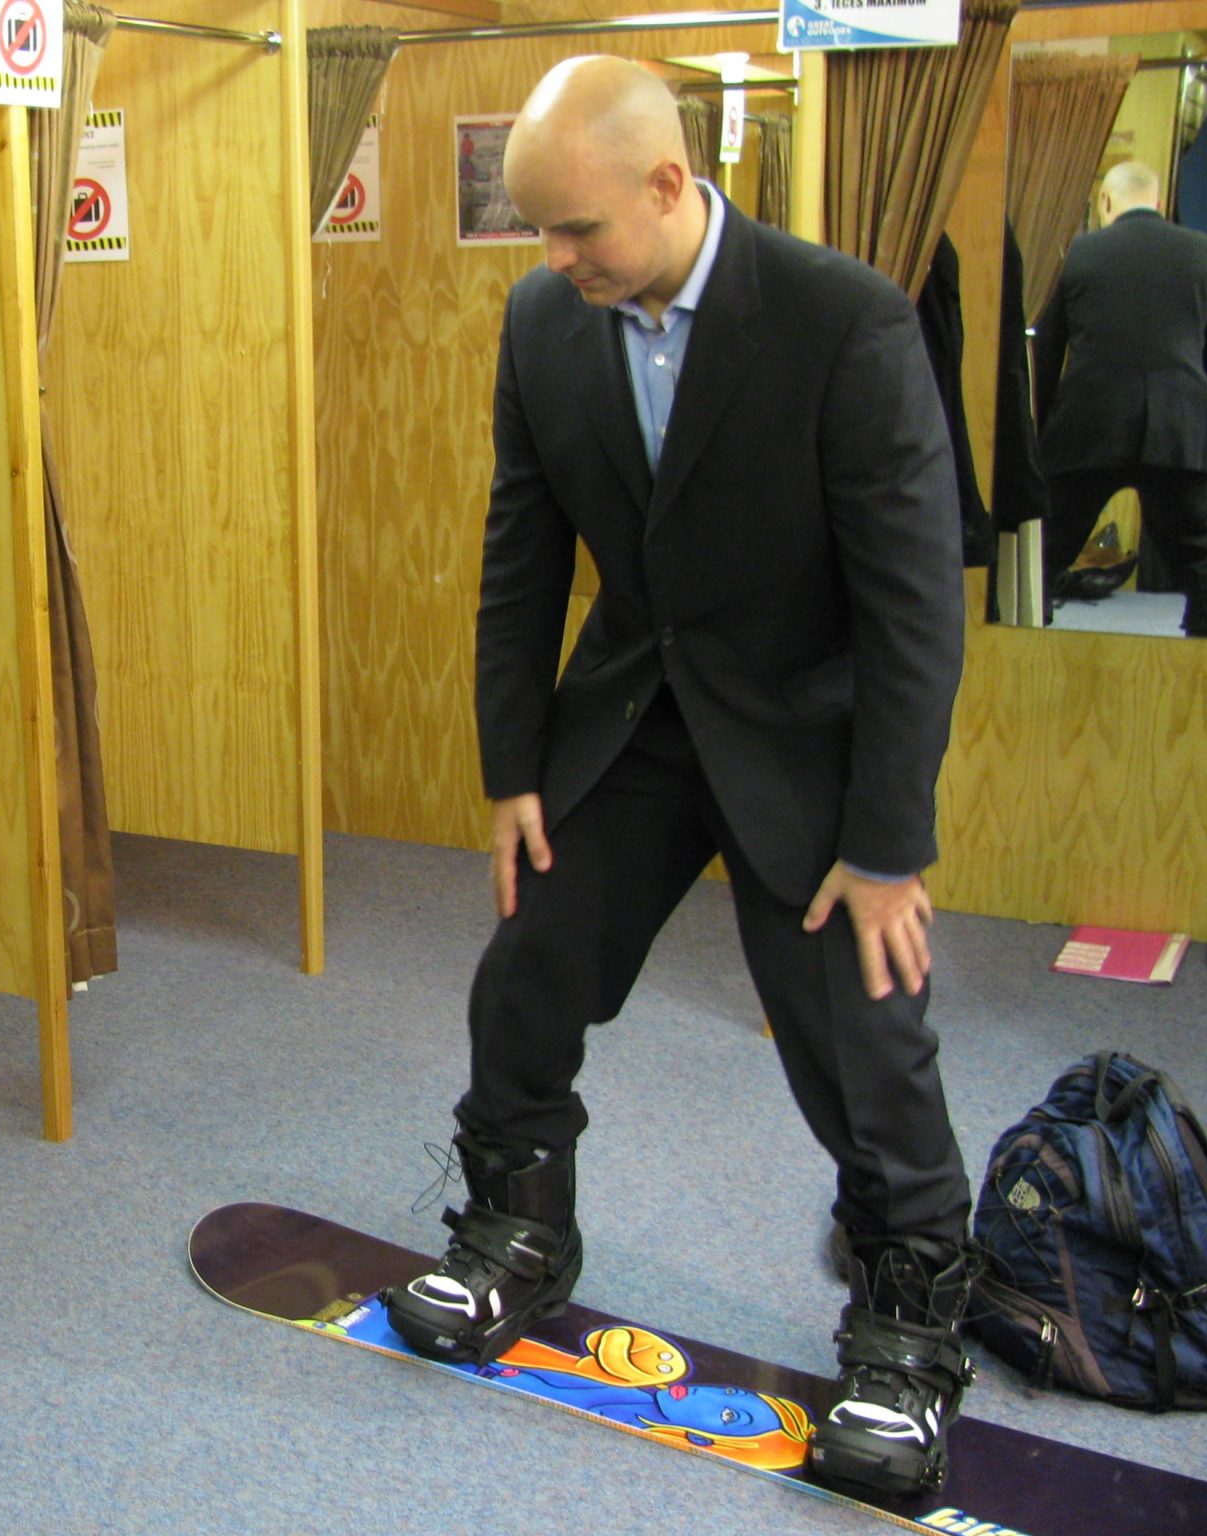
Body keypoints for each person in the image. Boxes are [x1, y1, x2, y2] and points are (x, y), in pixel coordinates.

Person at [381, 58, 974, 1499]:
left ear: (668, 183)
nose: (553, 259)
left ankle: (907, 1326)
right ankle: (515, 1230)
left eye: (575, 229)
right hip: (635, 720)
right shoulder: (543, 321)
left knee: (860, 1036)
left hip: (805, 737)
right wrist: (512, 769)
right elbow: (522, 555)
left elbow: (913, 603)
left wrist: (889, 845)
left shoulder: (843, 319)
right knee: (529, 965)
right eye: (538, 232)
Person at [1032, 160, 1207, 637]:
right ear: (1158, 201)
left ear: (1105, 202)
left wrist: (1037, 437)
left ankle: (1028, 634)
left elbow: (1047, 353)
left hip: (1090, 426)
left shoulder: (1081, 254)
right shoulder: (1201, 253)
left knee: (1045, 550)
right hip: (1179, 430)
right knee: (1200, 556)